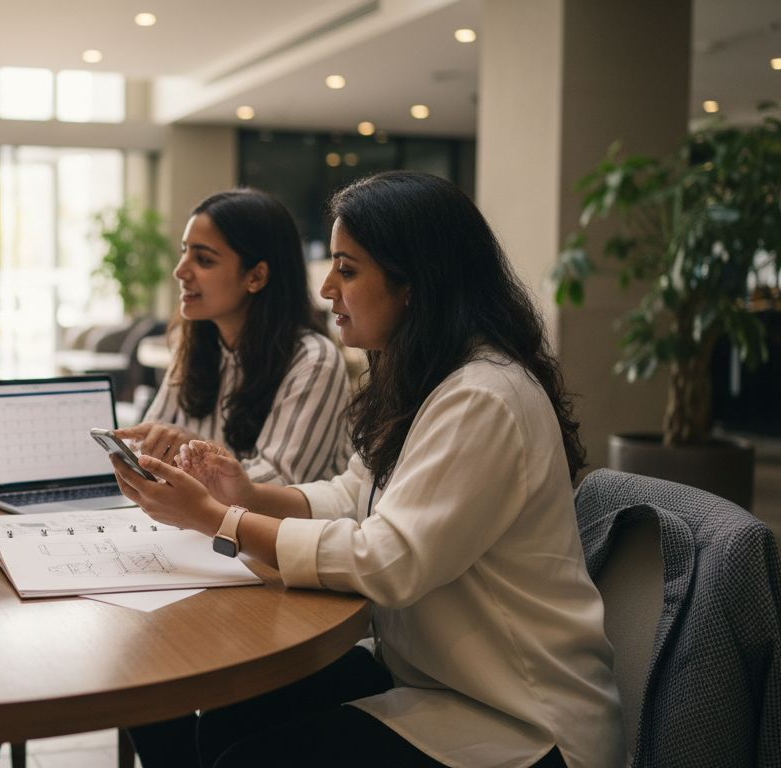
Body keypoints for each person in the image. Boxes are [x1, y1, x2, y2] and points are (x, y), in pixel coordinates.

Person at [112, 172, 623, 768]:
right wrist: (249, 494)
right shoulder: (424, 377)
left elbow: (389, 559)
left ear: (414, 284)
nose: (326, 288)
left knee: (246, 757)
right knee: (230, 715)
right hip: (436, 679)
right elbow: (358, 492)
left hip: (519, 718)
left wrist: (221, 519)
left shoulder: (483, 395)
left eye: (347, 270)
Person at [117, 189, 351, 485]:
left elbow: (280, 483)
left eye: (203, 260)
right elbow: (151, 447)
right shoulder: (193, 346)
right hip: (198, 526)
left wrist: (200, 453)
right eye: (184, 251)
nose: (180, 271)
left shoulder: (315, 361)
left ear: (256, 277)